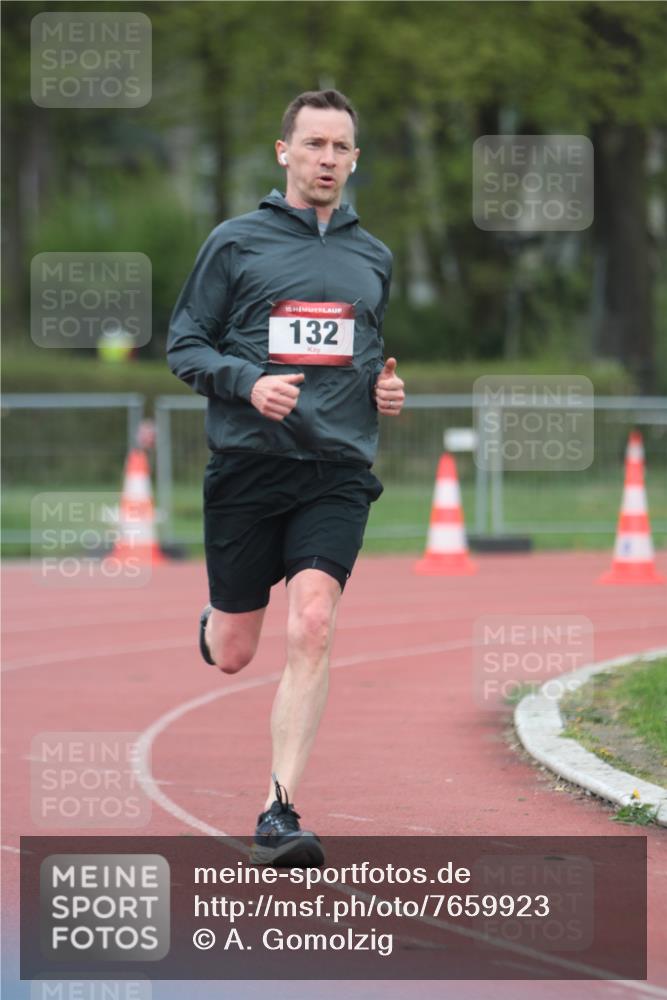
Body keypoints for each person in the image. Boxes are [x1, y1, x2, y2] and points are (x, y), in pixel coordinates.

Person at [167, 89, 405, 867]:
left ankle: (277, 810)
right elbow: (185, 346)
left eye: (340, 147)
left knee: (311, 624)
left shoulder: (375, 257)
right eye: (313, 145)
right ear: (284, 153)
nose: (326, 160)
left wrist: (385, 390)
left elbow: (362, 352)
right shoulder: (234, 243)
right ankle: (214, 619)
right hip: (247, 466)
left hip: (335, 471)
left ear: (354, 158)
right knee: (235, 649)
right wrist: (246, 382)